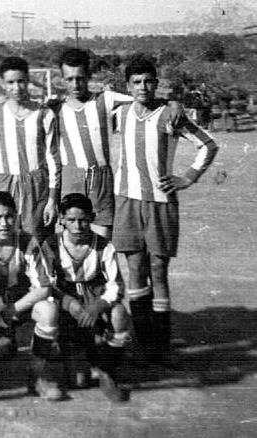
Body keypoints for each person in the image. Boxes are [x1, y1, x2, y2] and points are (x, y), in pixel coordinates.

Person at [112, 55, 218, 367]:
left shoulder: (169, 115)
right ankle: (142, 343)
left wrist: (188, 177)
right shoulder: (119, 111)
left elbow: (208, 144)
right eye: (137, 82)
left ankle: (160, 346)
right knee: (135, 272)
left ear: (156, 83)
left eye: (149, 81)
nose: (143, 87)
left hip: (160, 202)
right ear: (127, 86)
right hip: (127, 200)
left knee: (158, 271)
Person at [0, 191, 62, 400]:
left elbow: (44, 287)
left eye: (9, 216)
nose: (4, 223)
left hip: (18, 305)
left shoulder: (27, 242)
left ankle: (38, 375)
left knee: (48, 310)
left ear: (17, 216)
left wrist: (14, 309)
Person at [36, 193, 131, 402]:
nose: (78, 226)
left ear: (92, 218)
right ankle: (76, 352)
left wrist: (98, 306)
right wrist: (69, 303)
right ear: (61, 219)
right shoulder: (51, 245)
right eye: (71, 220)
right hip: (68, 312)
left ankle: (109, 373)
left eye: (83, 220)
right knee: (79, 381)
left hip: (93, 308)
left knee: (120, 313)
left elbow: (116, 284)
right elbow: (47, 285)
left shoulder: (104, 246)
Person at [53, 48, 133, 238]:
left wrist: (172, 103)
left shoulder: (105, 99)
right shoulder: (55, 108)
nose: (75, 84)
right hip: (71, 178)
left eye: (80, 78)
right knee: (73, 242)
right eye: (69, 79)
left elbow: (142, 99)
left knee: (102, 242)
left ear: (88, 76)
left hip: (101, 178)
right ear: (62, 79)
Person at [0, 56, 61, 240]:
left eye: (21, 81)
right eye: (10, 82)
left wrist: (52, 200)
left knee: (36, 241)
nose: (16, 87)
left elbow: (53, 159)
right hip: (6, 183)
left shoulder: (43, 113)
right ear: (1, 83)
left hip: (36, 185)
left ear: (28, 80)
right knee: (6, 240)